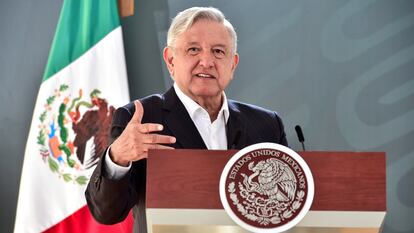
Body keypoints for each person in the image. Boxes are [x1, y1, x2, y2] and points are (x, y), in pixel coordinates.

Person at [85, 6, 288, 233]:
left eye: (219, 52)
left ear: (233, 64)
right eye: (193, 50)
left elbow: (288, 208)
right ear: (170, 60)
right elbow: (107, 212)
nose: (207, 61)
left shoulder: (266, 125)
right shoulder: (139, 119)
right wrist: (118, 157)